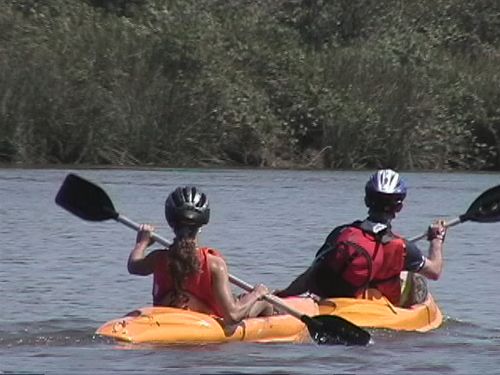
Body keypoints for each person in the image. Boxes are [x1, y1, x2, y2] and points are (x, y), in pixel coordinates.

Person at [274, 169, 447, 307]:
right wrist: (436, 241)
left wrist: (284, 295)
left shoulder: (341, 233)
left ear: (366, 200)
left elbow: (312, 273)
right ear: (400, 207)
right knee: (414, 279)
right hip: (375, 308)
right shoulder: (404, 248)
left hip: (333, 301)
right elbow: (435, 272)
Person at [127, 185, 273, 323]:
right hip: (205, 322)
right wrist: (257, 293)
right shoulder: (214, 264)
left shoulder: (158, 259)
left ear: (171, 224)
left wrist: (142, 242)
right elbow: (232, 316)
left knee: (241, 299)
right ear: (201, 226)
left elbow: (133, 266)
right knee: (265, 301)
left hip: (168, 318)